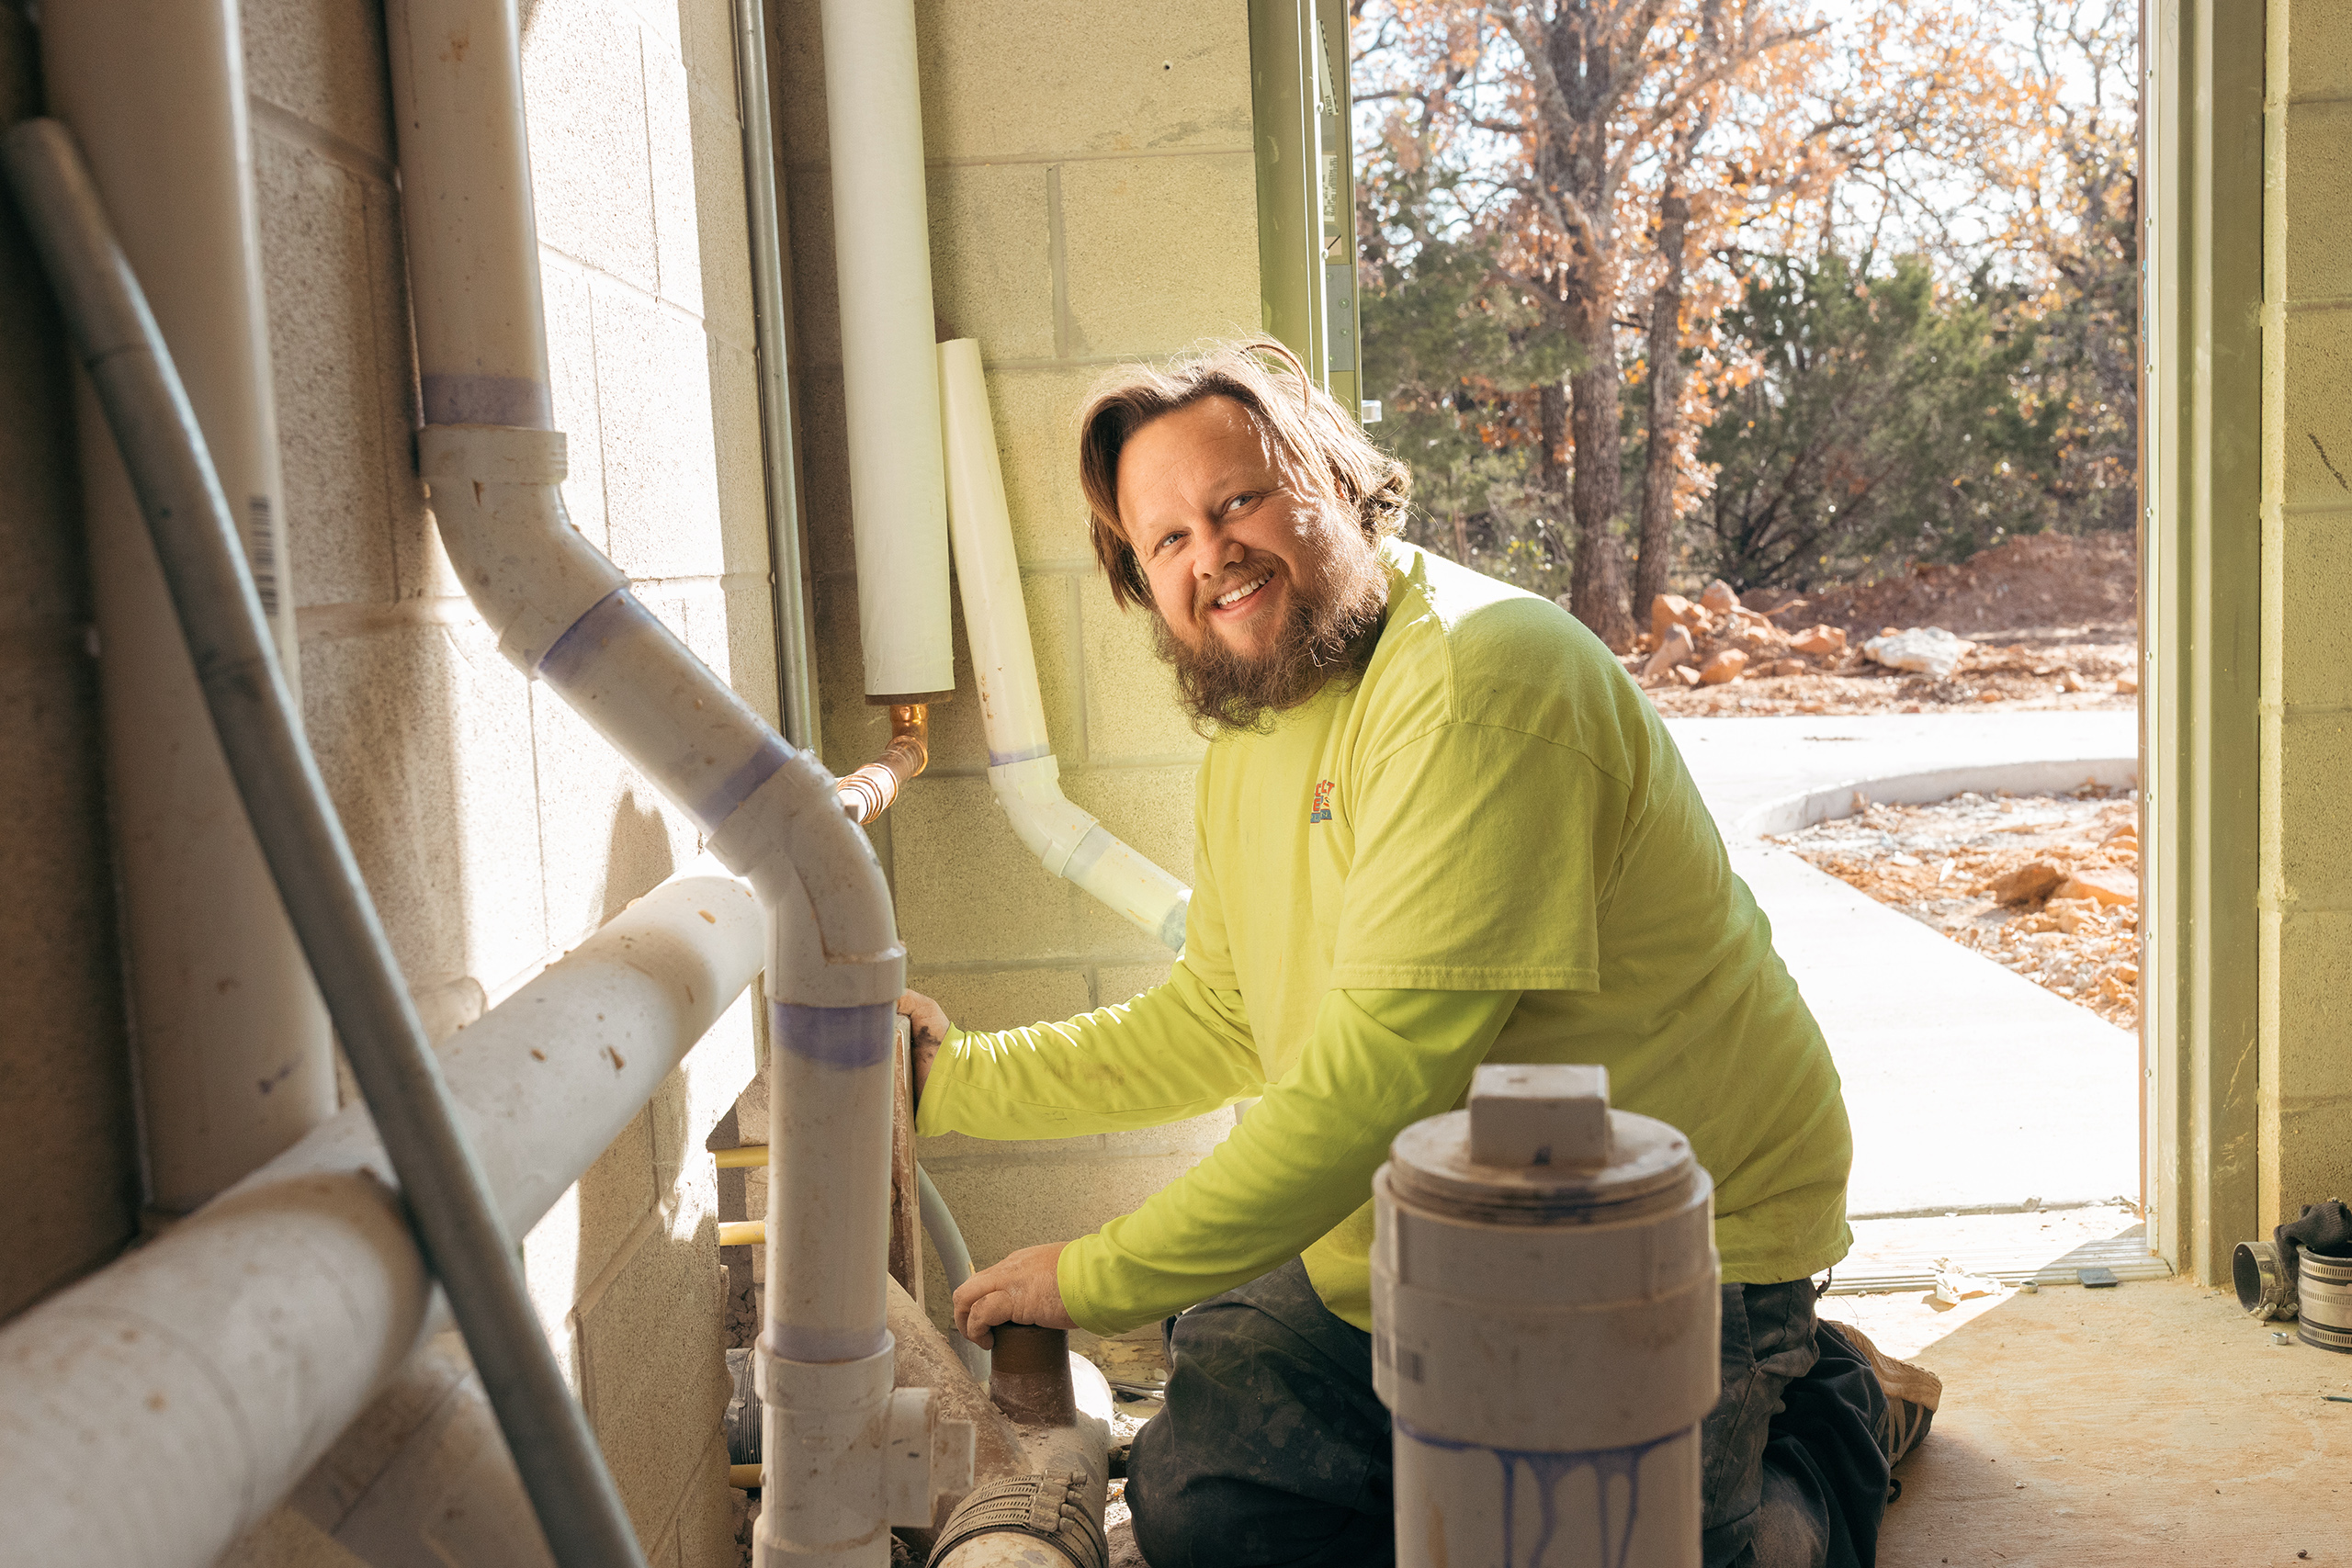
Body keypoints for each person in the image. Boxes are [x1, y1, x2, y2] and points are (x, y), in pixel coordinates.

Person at [898, 339, 1935, 1568]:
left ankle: (1821, 1407)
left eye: (1239, 501)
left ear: (1343, 484)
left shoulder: (1482, 681)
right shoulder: (1262, 719)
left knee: (1612, 1550)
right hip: (1420, 1234)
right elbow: (1223, 1018)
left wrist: (1091, 1279)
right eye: (1165, 539)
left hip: (1651, 1248)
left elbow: (1371, 1087)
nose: (1211, 554)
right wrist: (950, 1082)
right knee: (1212, 1517)